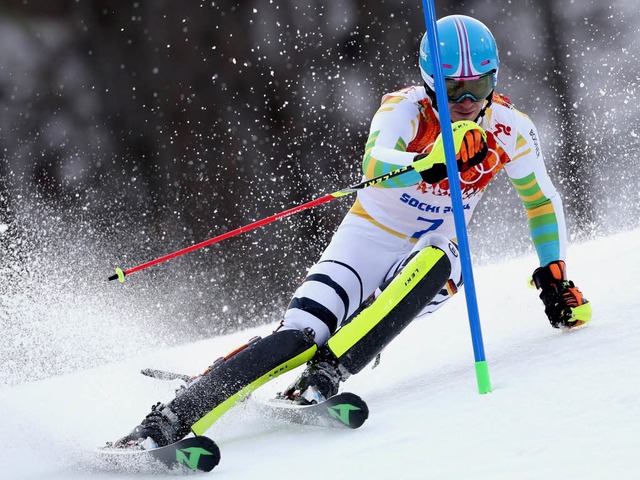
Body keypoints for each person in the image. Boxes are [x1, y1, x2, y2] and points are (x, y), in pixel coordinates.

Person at [113, 14, 591, 449]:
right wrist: (429, 163)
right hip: (368, 237)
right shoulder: (403, 110)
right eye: (452, 90)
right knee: (302, 332)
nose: (467, 101)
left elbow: (542, 200)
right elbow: (376, 162)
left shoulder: (510, 127)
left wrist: (554, 271)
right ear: (429, 82)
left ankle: (331, 368)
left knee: (439, 257)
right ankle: (166, 422)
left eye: (478, 85)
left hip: (438, 252)